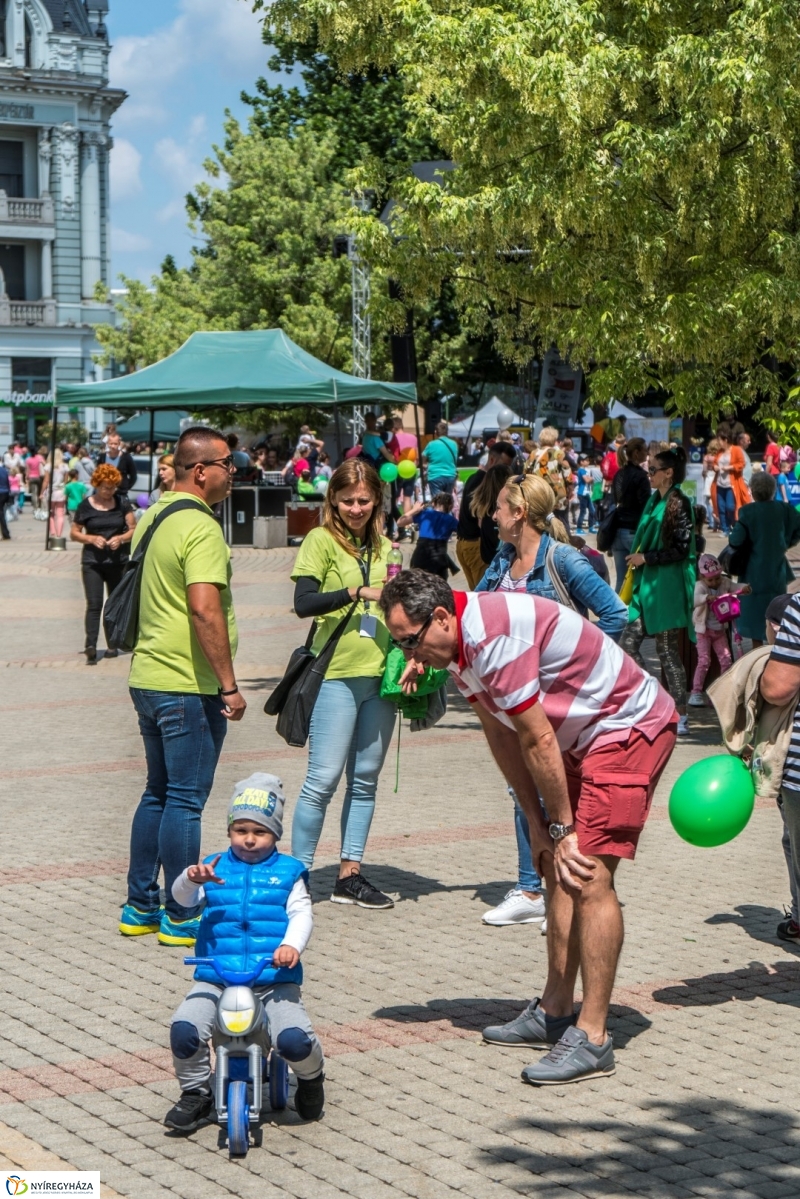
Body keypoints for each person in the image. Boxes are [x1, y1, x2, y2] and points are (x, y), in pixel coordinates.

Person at [380, 571, 677, 1085]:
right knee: (556, 870)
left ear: (442, 618)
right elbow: (502, 735)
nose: (409, 653)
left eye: (410, 640)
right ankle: (556, 1010)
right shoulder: (458, 650)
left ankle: (594, 1036)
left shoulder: (494, 640)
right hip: (582, 738)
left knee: (586, 873)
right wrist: (539, 829)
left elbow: (538, 738)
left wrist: (562, 832)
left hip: (628, 729)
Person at [476, 473, 628, 928]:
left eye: (500, 507)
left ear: (519, 513)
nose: (493, 514)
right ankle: (531, 889)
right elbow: (479, 609)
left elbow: (616, 614)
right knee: (522, 790)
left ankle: (566, 889)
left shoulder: (563, 560)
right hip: (514, 701)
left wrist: (579, 670)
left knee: (562, 795)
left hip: (558, 704)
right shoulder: (503, 560)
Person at [119, 426, 246, 948]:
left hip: (148, 676)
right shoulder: (201, 527)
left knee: (157, 792)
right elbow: (203, 607)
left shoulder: (156, 514)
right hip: (186, 683)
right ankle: (180, 910)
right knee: (185, 801)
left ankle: (139, 905)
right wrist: (229, 685)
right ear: (201, 470)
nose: (232, 471)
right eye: (226, 463)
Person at [164, 774, 324, 1132]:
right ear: (229, 830)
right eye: (240, 830)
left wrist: (290, 946)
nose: (249, 839)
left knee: (293, 1039)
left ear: (276, 834)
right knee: (185, 1029)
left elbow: (301, 914)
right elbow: (181, 901)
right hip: (216, 976)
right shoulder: (214, 867)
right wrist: (191, 879)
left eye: (260, 832)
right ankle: (196, 1093)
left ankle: (312, 1078)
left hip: (272, 979)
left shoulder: (289, 872)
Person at [290, 458, 396, 909]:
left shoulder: (386, 545)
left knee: (366, 779)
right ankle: (295, 876)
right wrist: (355, 592)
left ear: (377, 502)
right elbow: (303, 603)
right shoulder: (320, 540)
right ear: (332, 498)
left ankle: (349, 873)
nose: (356, 508)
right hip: (335, 673)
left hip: (379, 673)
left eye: (364, 501)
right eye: (348, 500)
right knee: (323, 779)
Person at [620, 446, 696, 737]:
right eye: (647, 469)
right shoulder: (654, 500)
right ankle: (654, 702)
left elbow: (680, 550)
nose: (648, 474)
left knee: (667, 651)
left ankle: (681, 715)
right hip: (647, 584)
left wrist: (646, 558)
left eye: (652, 470)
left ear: (668, 473)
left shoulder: (680, 503)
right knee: (628, 645)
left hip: (667, 587)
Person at [70, 465, 136, 665]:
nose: (109, 491)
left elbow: (133, 528)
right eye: (106, 487)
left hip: (117, 562)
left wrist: (122, 538)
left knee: (114, 604)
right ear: (97, 485)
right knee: (94, 604)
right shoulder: (85, 506)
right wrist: (90, 539)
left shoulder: (122, 503)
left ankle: (112, 644)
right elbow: (74, 533)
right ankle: (90, 645)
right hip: (93, 562)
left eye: (113, 487)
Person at [728, 470, 800, 648]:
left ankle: (757, 651)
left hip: (753, 570)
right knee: (776, 611)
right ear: (773, 489)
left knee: (754, 616)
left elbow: (735, 540)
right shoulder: (784, 509)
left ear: (752, 490)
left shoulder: (747, 512)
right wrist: (786, 542)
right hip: (777, 570)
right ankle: (775, 648)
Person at [688, 553, 750, 706]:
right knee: (704, 661)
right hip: (704, 631)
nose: (715, 582)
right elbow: (694, 599)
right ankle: (696, 692)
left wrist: (744, 588)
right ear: (702, 577)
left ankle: (720, 693)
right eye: (710, 580)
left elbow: (736, 587)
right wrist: (705, 598)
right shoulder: (700, 586)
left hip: (720, 630)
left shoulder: (725, 583)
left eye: (717, 578)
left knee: (726, 660)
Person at [456, 442, 517, 588]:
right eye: (504, 465)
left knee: (476, 591)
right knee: (485, 593)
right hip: (476, 545)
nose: (506, 470)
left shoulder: (473, 478)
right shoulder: (485, 482)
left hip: (464, 544)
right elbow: (481, 518)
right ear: (491, 460)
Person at [609, 437, 650, 592]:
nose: (647, 453)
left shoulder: (619, 474)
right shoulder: (641, 476)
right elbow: (645, 506)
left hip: (617, 530)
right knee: (638, 577)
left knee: (621, 578)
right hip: (633, 531)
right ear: (637, 452)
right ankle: (635, 612)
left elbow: (616, 499)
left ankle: (618, 613)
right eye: (645, 450)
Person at [398, 493, 459, 580]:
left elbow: (400, 522)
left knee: (417, 582)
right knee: (439, 585)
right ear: (450, 506)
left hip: (420, 555)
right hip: (439, 557)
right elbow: (464, 532)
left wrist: (414, 510)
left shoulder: (425, 514)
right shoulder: (451, 520)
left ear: (433, 503)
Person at [711, 423, 750, 535]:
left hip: (731, 484)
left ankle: (734, 525)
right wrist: (715, 467)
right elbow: (714, 464)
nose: (718, 443)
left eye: (720, 440)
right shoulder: (719, 452)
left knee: (731, 506)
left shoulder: (736, 450)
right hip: (719, 483)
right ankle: (725, 529)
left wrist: (730, 467)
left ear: (726, 440)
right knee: (721, 508)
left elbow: (741, 464)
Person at [532, 427, 572, 529]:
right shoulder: (558, 453)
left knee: (542, 522)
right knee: (561, 521)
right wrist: (570, 488)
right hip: (558, 493)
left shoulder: (534, 454)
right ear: (554, 439)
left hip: (539, 493)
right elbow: (567, 472)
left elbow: (526, 472)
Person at [422, 420, 459, 497]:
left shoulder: (431, 444)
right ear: (447, 432)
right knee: (447, 502)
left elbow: (422, 459)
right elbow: (454, 460)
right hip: (450, 476)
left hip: (435, 476)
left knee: (437, 503)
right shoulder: (454, 444)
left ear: (436, 432)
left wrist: (426, 465)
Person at [96, 432, 138, 498]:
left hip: (121, 494)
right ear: (107, 444)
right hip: (105, 494)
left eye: (115, 444)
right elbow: (97, 474)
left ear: (119, 444)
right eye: (111, 443)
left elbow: (133, 475)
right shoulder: (102, 457)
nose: (113, 446)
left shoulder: (126, 457)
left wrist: (125, 488)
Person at [42, 448, 68, 539]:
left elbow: (46, 481)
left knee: (51, 513)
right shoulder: (65, 466)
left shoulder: (48, 466)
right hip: (61, 491)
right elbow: (65, 481)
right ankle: (59, 533)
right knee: (60, 513)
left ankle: (52, 532)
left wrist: (41, 493)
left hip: (51, 491)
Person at [0, 460, 10, 540]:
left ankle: (5, 532)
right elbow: (8, 482)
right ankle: (5, 533)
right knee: (1, 513)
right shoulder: (5, 470)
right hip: (4, 492)